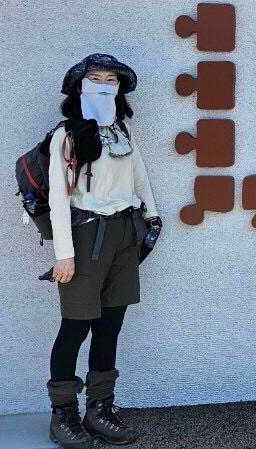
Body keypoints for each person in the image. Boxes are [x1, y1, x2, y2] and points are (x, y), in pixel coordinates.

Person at [44, 54, 161, 448]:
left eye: (111, 80)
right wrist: (64, 253)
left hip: (124, 234)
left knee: (110, 326)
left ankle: (99, 410)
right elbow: (59, 198)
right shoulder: (67, 136)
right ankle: (63, 414)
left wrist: (152, 216)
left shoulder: (123, 131)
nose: (103, 85)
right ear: (79, 86)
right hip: (85, 237)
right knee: (75, 326)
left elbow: (139, 175)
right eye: (95, 78)